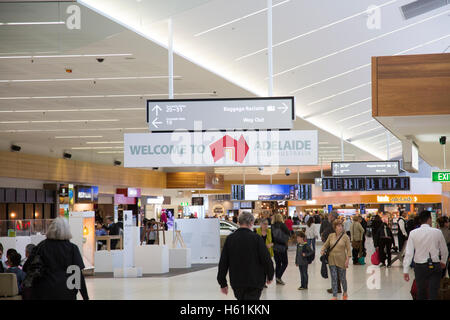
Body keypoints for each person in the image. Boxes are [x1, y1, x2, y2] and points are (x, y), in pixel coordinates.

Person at [27, 217, 89, 300]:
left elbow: (27, 267)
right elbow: (78, 275)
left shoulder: (41, 246)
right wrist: (85, 297)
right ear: (67, 230)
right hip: (66, 291)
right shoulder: (72, 248)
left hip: (44, 290)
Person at [217, 212, 274, 300]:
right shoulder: (256, 238)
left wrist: (222, 282)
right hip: (255, 280)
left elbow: (223, 262)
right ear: (251, 223)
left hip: (237, 281)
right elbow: (266, 259)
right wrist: (270, 275)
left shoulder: (230, 239)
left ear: (238, 223)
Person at [403, 211, 448, 300]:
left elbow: (409, 253)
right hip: (435, 265)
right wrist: (443, 261)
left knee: (421, 291)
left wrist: (406, 270)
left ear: (420, 220)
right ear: (429, 219)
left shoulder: (413, 233)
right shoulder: (437, 232)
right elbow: (444, 250)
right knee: (433, 292)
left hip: (420, 267)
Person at [320, 219, 352, 300]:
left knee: (342, 278)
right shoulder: (331, 236)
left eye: (341, 226)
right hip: (332, 259)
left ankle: (345, 291)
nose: (340, 227)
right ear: (335, 227)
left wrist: (347, 260)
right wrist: (322, 249)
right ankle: (334, 295)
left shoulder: (345, 237)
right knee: (334, 278)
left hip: (342, 260)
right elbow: (326, 244)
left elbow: (348, 249)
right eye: (338, 226)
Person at [271, 213, 290, 285]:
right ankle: (278, 277)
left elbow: (272, 237)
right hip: (282, 246)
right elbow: (288, 233)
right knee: (285, 263)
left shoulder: (272, 226)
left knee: (278, 263)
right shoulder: (282, 225)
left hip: (275, 246)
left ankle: (277, 279)